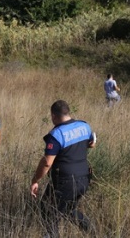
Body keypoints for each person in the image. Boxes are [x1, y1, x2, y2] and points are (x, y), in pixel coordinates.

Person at [30, 100, 96, 237]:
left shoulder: (56, 135)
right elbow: (91, 143)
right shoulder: (84, 126)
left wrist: (35, 180)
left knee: (48, 212)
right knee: (68, 209)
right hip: (84, 179)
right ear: (68, 112)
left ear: (53, 116)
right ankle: (92, 231)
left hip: (65, 182)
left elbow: (47, 163)